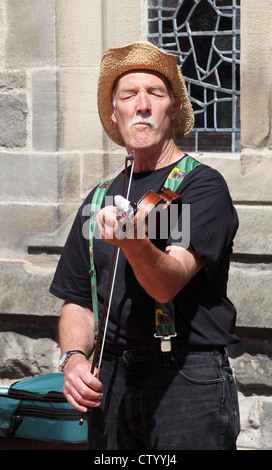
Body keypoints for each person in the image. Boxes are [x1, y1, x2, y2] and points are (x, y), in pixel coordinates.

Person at [49, 41, 240, 450]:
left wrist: (132, 242)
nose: (141, 105)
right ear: (115, 114)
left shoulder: (201, 187)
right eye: (128, 96)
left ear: (172, 108)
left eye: (154, 93)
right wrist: (74, 359)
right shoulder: (98, 197)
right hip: (112, 378)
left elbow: (166, 283)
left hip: (186, 378)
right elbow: (77, 300)